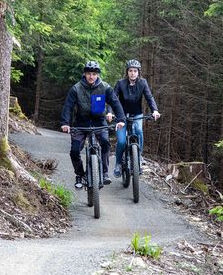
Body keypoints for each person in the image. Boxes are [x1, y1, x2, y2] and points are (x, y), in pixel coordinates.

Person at [61, 61, 125, 189]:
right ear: (84, 74)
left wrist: (121, 119)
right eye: (89, 73)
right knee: (74, 151)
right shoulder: (76, 88)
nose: (91, 76)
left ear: (97, 75)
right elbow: (68, 106)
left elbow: (115, 103)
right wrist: (65, 123)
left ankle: (105, 172)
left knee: (105, 143)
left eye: (94, 74)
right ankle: (79, 174)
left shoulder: (105, 87)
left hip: (99, 121)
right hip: (81, 122)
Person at [106, 59, 160, 178]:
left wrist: (154, 110)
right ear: (127, 72)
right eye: (130, 71)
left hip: (137, 115)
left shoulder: (143, 83)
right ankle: (118, 164)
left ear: (138, 72)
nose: (133, 73)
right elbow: (112, 99)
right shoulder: (120, 83)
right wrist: (109, 112)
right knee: (121, 141)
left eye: (135, 71)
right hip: (121, 116)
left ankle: (138, 156)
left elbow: (149, 97)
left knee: (139, 131)